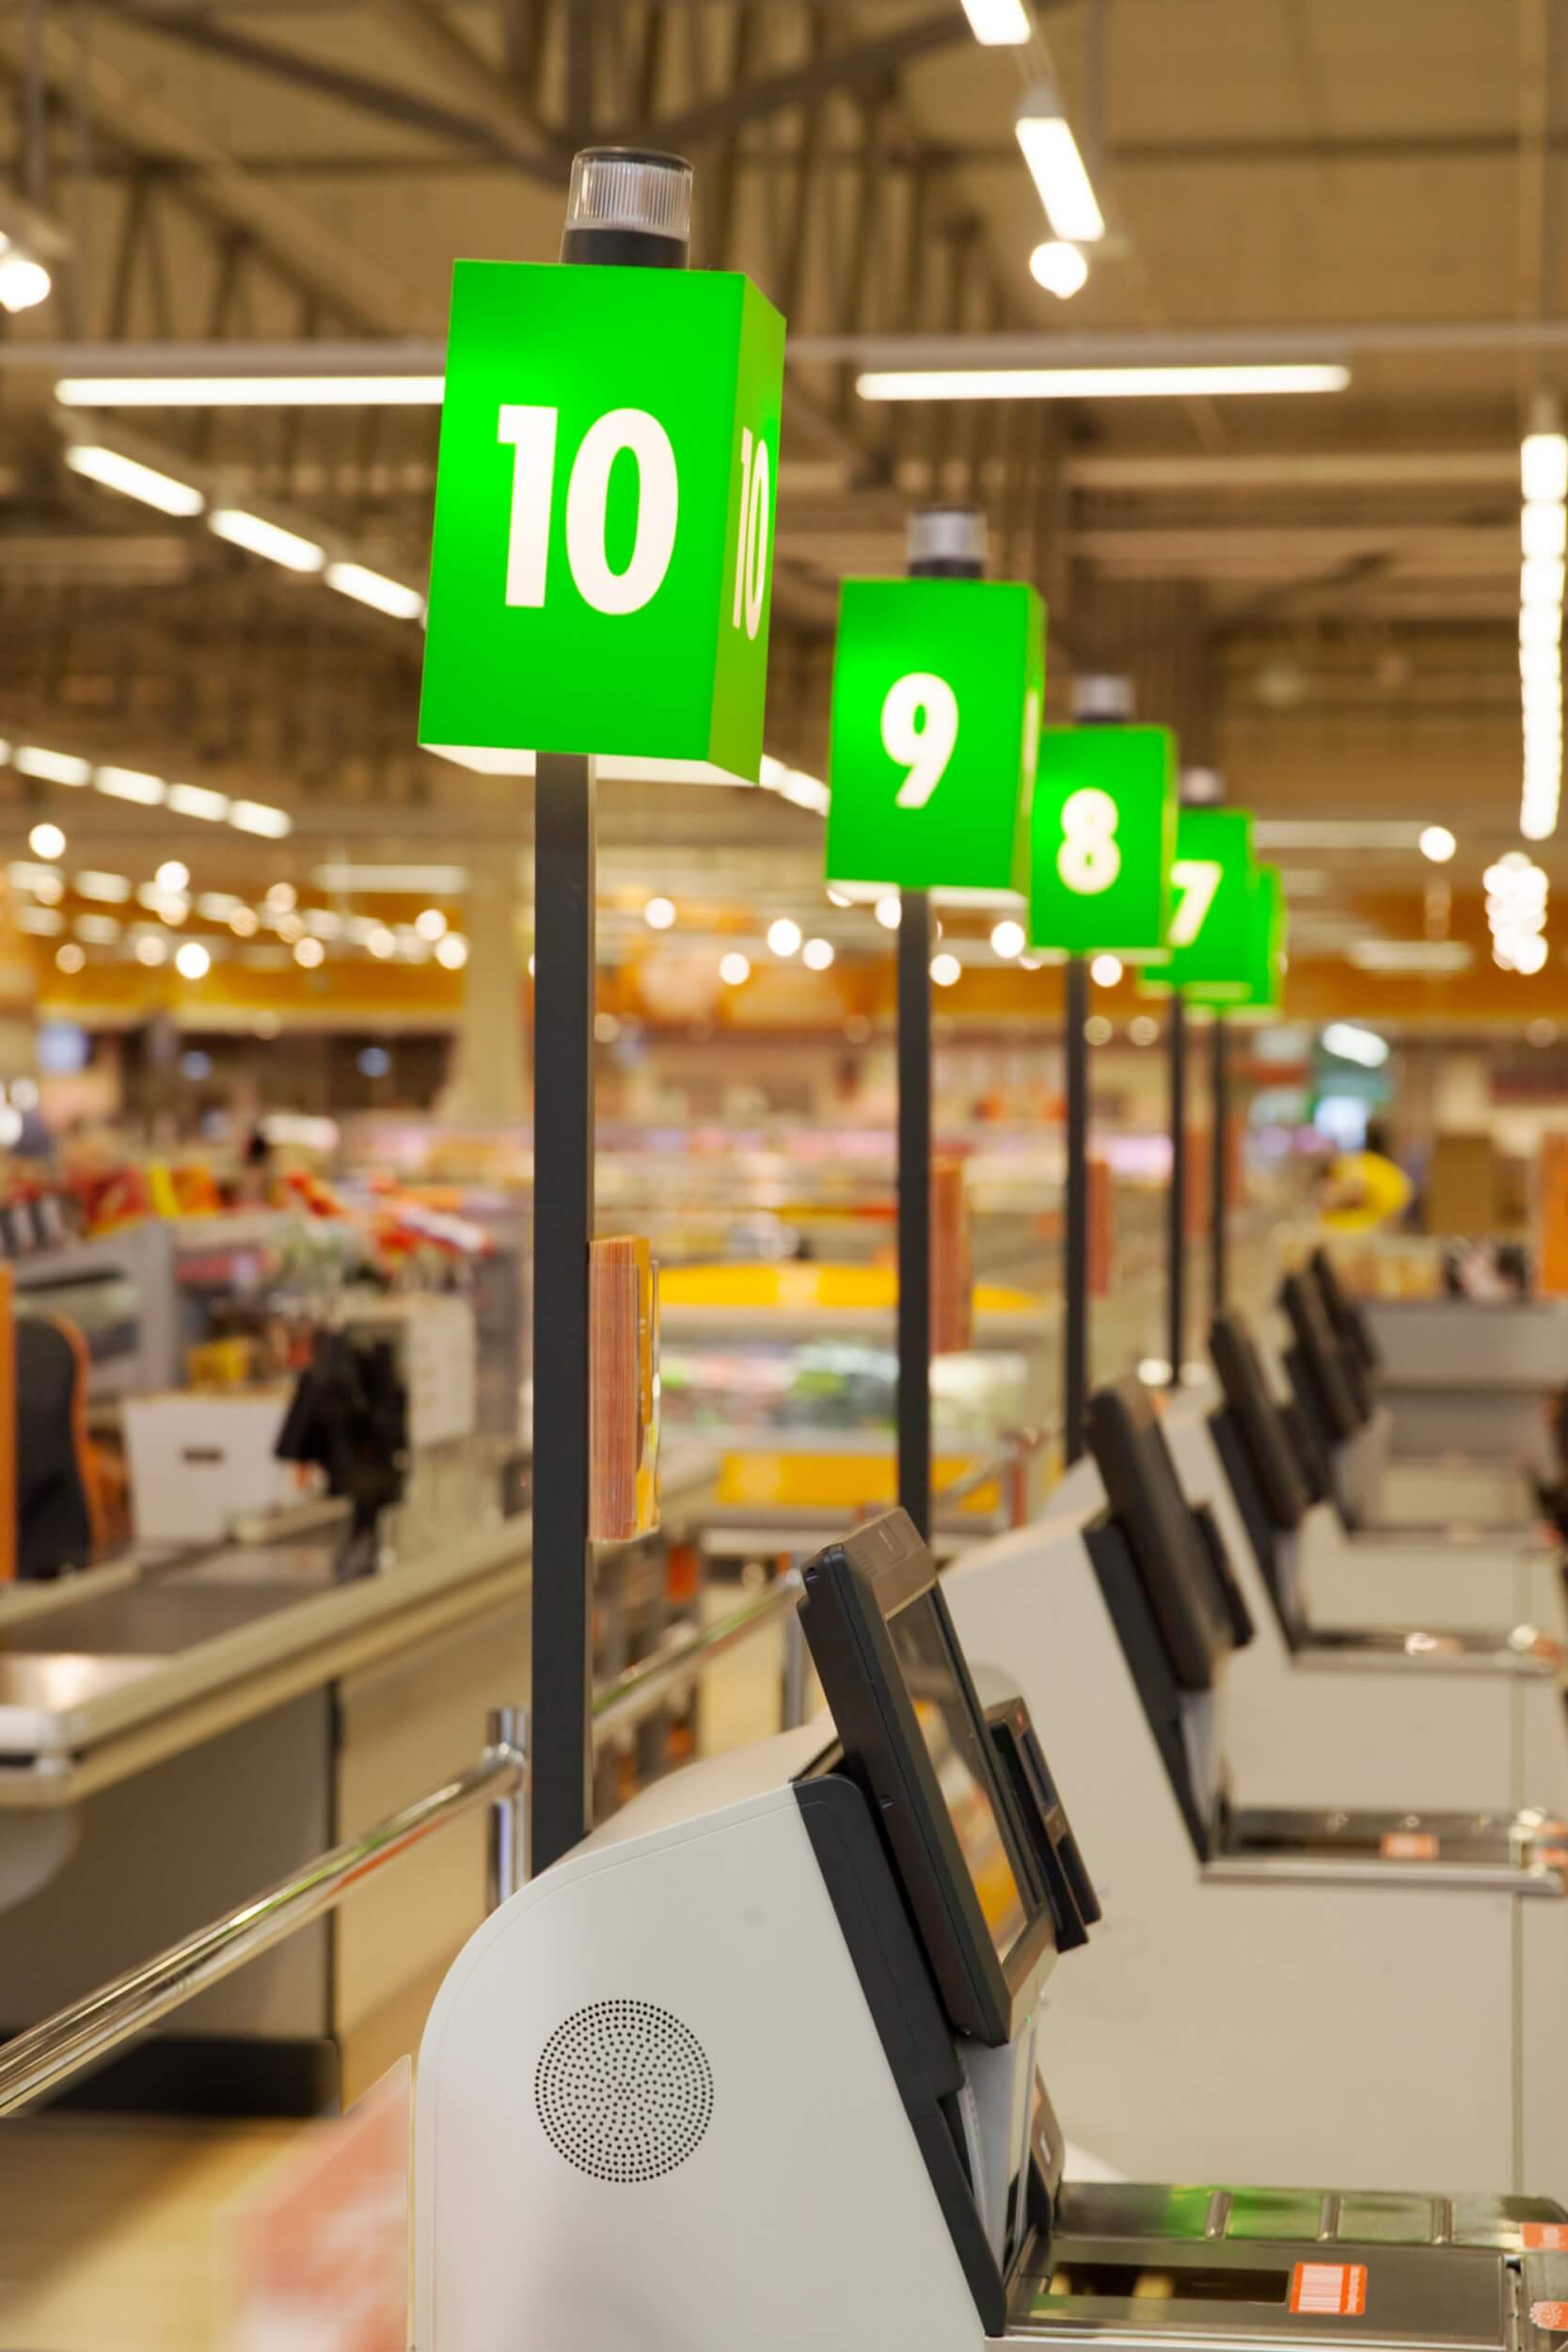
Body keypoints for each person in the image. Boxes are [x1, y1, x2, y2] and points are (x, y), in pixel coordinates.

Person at [1318, 1117, 1414, 1232]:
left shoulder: (1350, 1164)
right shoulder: (1379, 1165)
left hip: (1374, 1222)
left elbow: (1351, 1192)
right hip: (1387, 1219)